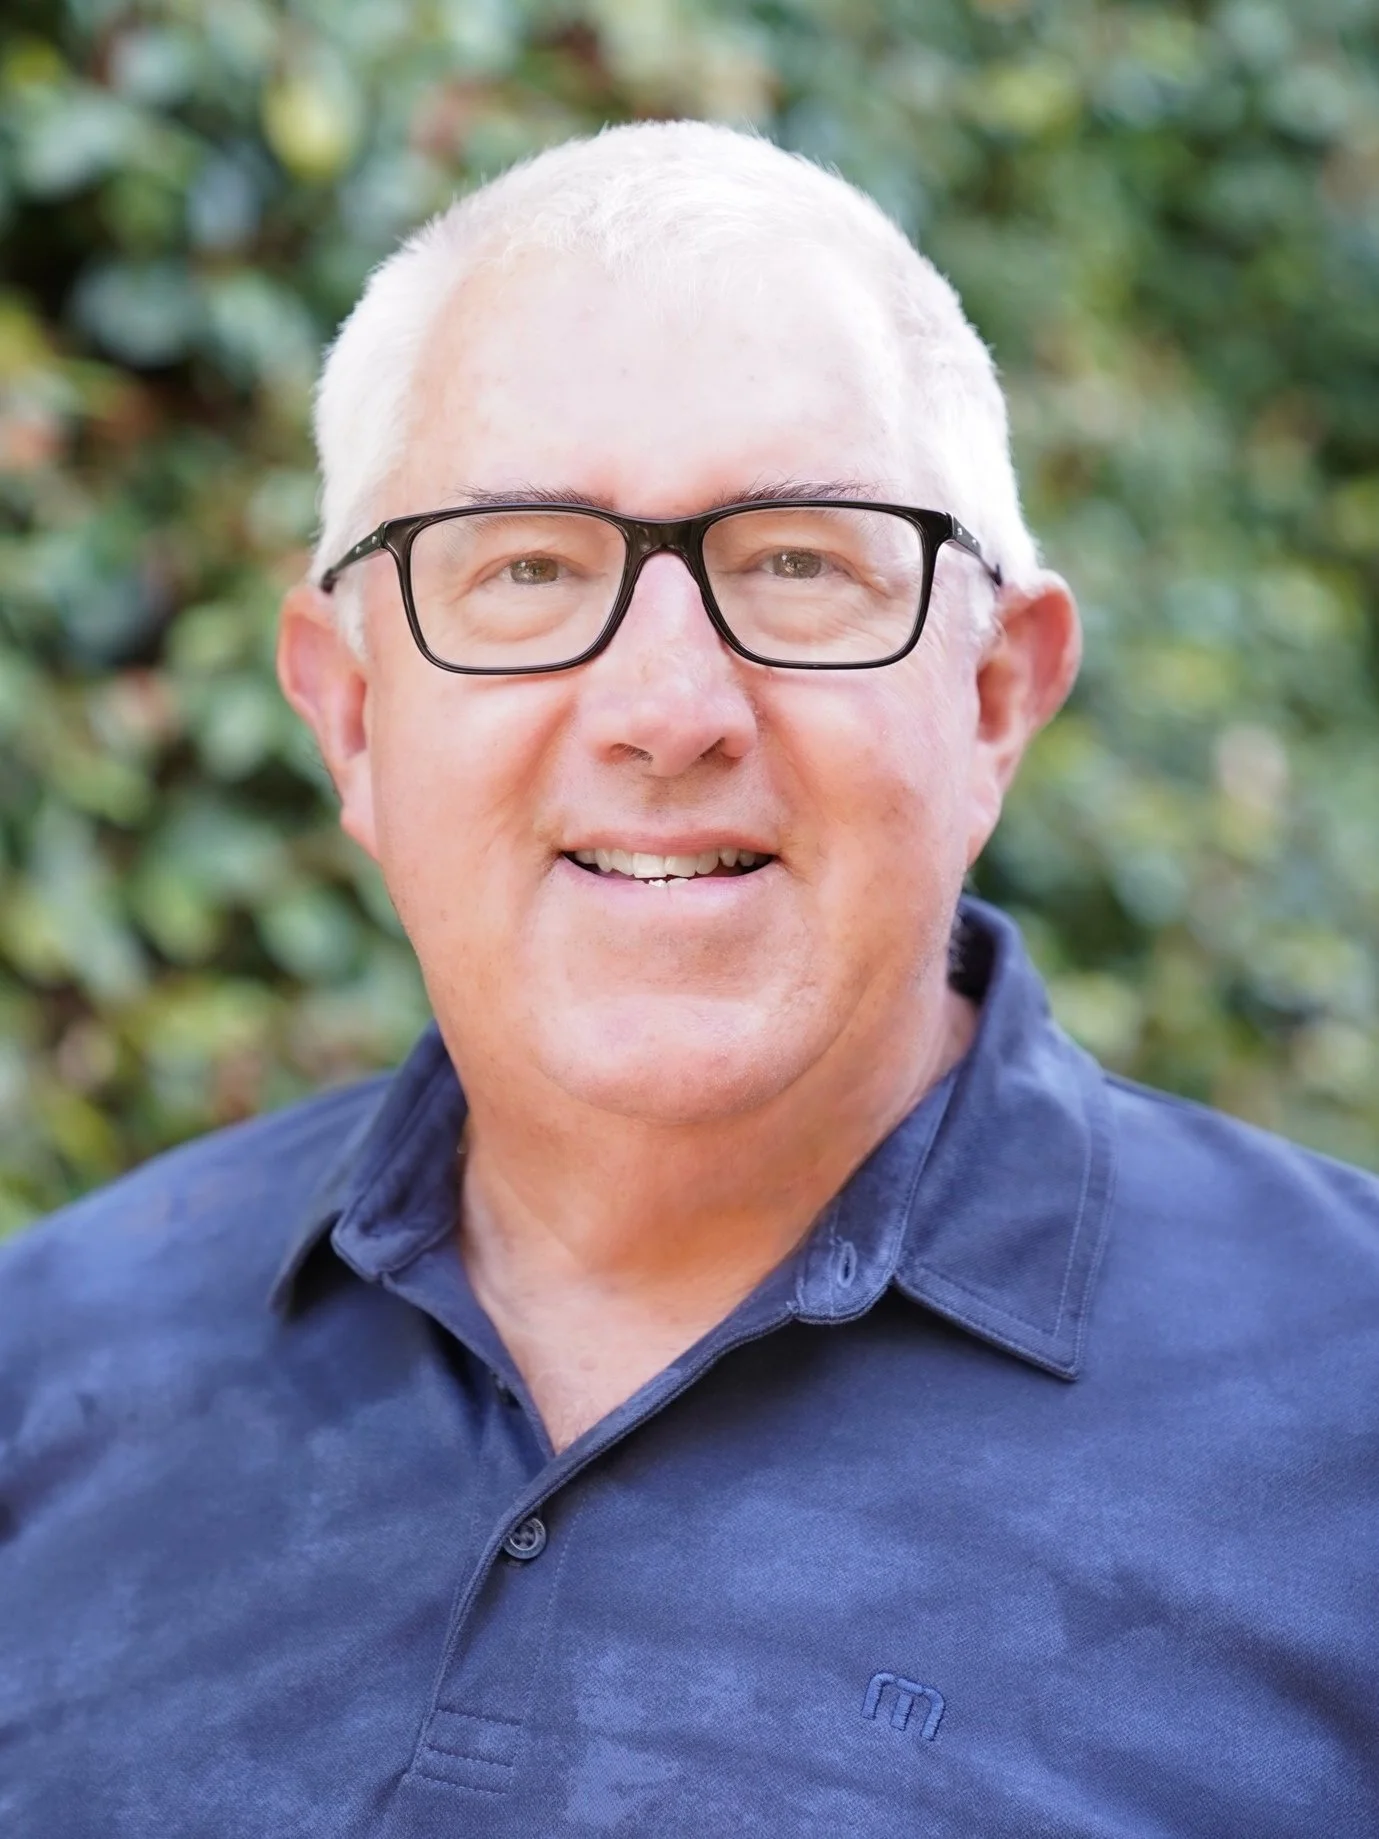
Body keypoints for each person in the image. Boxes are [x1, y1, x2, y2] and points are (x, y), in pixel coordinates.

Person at [1, 120, 1375, 1839]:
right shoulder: (39, 1363)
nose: (666, 708)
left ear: (992, 699)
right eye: (523, 569)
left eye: (800, 562)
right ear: (351, 715)